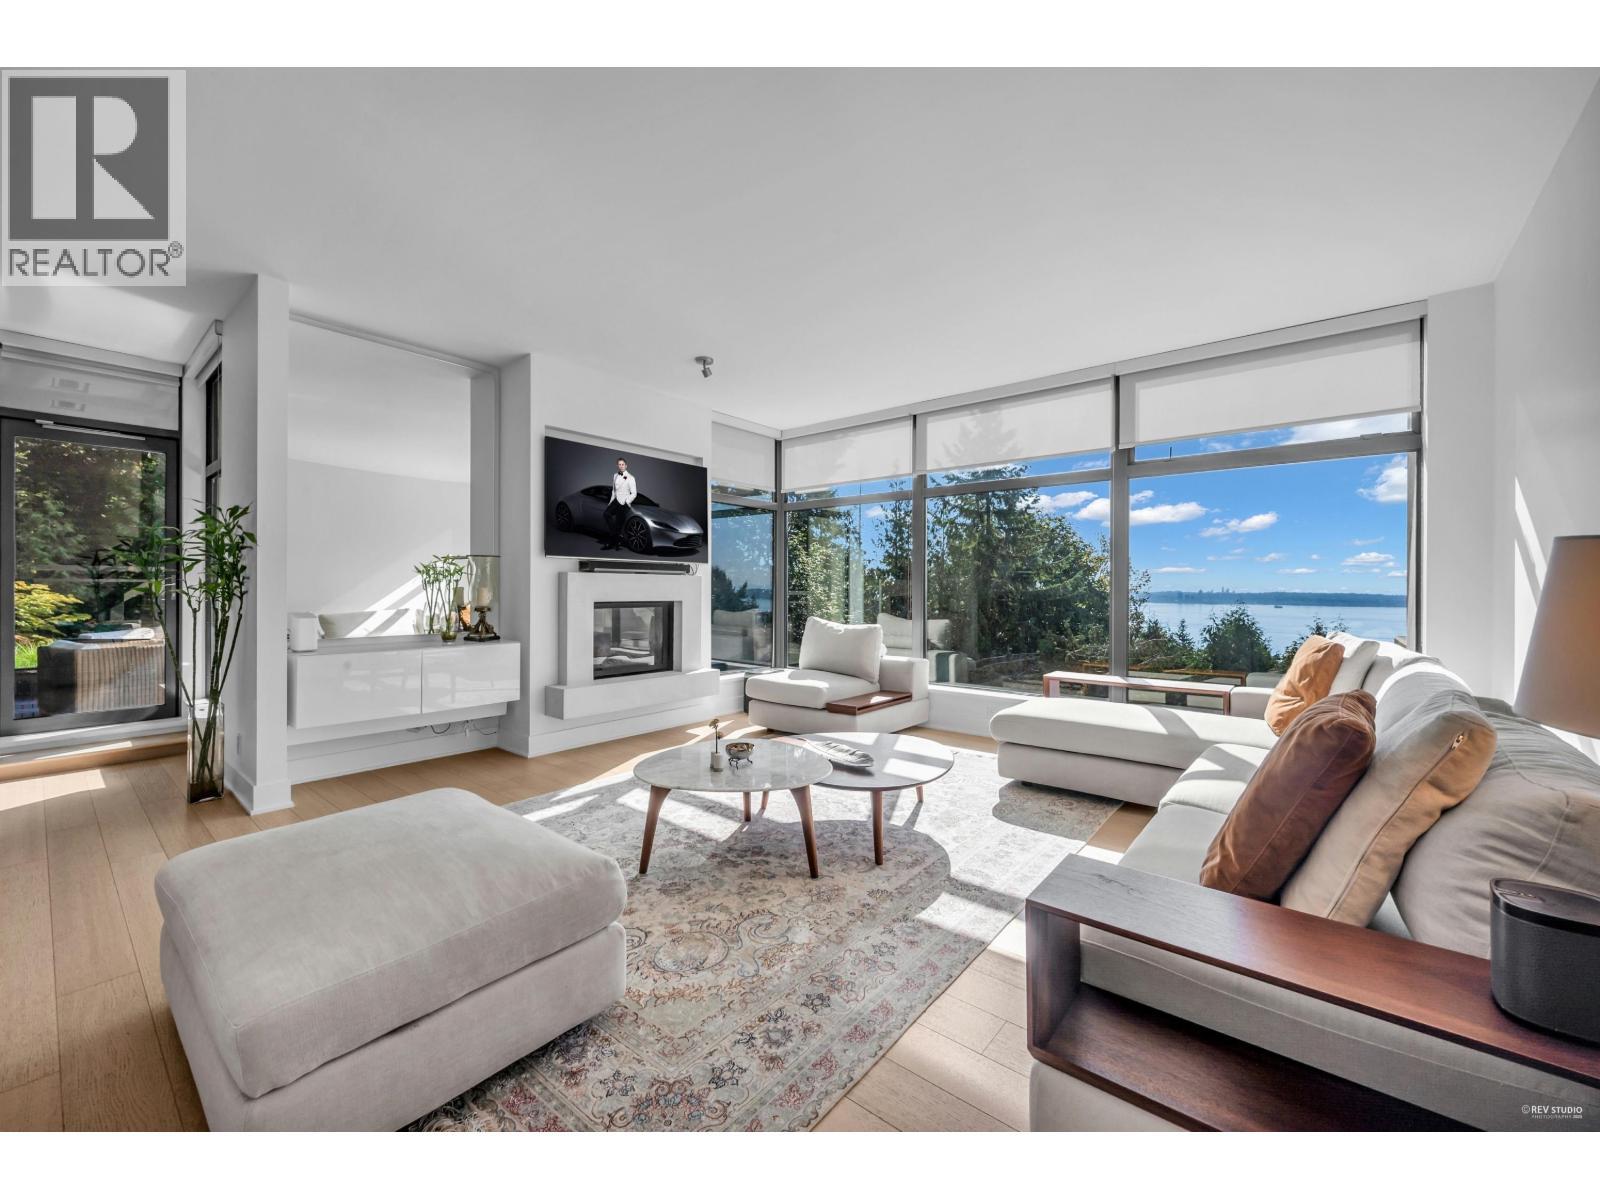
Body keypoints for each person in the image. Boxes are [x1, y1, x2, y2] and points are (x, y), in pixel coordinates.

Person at [604, 456, 638, 548]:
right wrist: (611, 502)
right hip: (616, 500)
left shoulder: (631, 478)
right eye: (619, 464)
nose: (621, 466)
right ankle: (618, 538)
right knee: (606, 514)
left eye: (623, 464)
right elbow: (614, 491)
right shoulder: (615, 475)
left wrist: (627, 501)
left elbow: (634, 493)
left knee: (618, 524)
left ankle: (612, 543)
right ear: (617, 465)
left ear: (626, 466)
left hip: (624, 503)